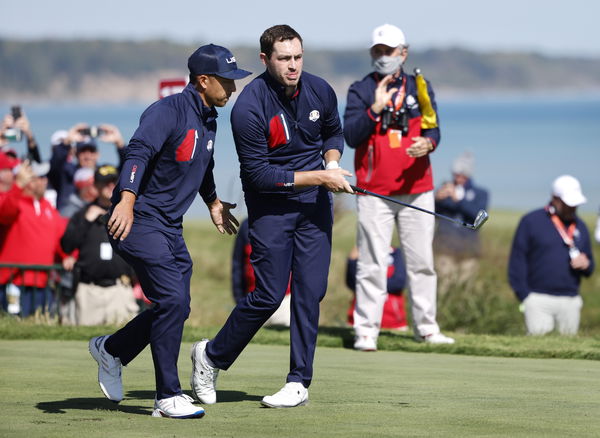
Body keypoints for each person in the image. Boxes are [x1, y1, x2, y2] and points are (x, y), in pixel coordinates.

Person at [190, 24, 353, 409]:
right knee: (267, 295)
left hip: (314, 207)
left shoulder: (320, 89)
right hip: (270, 210)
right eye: (284, 59)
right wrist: (320, 176)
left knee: (310, 293)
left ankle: (299, 380)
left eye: (297, 57)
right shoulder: (248, 107)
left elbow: (333, 132)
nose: (293, 65)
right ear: (266, 60)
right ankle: (211, 356)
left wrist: (332, 161)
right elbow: (260, 176)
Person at [88, 44, 250, 420]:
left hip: (168, 226)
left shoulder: (209, 117)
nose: (233, 88)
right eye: (227, 81)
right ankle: (167, 396)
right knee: (173, 302)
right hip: (137, 219)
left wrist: (211, 201)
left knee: (175, 305)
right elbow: (138, 153)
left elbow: (200, 164)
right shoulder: (167, 112)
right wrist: (126, 200)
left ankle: (112, 350)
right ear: (204, 81)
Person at [343, 23, 454, 350]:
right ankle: (366, 331)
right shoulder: (360, 90)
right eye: (377, 51)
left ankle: (427, 328)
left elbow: (434, 128)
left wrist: (429, 144)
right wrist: (374, 108)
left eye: (389, 51)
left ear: (403, 53)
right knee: (371, 262)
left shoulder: (421, 86)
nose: (383, 57)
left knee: (422, 262)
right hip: (374, 192)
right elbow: (350, 136)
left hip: (417, 188)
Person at [508, 175, 594, 335]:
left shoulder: (580, 226)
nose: (573, 208)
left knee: (568, 350)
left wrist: (586, 264)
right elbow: (517, 261)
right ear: (555, 199)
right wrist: (525, 296)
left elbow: (590, 266)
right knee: (537, 348)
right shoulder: (531, 221)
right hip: (537, 298)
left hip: (571, 299)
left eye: (576, 204)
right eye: (569, 204)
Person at [60, 164, 138, 326]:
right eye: (105, 183)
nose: (109, 186)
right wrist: (87, 220)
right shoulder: (82, 214)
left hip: (119, 289)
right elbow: (67, 245)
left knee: (125, 341)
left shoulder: (130, 214)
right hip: (89, 290)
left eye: (113, 182)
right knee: (84, 342)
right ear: (95, 186)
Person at [0, 161, 67, 317]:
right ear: (26, 181)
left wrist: (67, 256)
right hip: (14, 283)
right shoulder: (12, 199)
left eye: (45, 178)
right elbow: (5, 212)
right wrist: (17, 186)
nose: (45, 181)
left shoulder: (48, 207)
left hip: (42, 283)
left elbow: (60, 239)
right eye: (39, 177)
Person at [434, 151, 489, 295]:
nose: (457, 178)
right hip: (444, 248)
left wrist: (458, 199)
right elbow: (433, 214)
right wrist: (436, 199)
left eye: (461, 175)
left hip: (469, 251)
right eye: (455, 174)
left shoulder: (480, 193)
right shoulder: (444, 188)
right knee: (443, 289)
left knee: (465, 290)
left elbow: (479, 217)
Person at [48, 123, 125, 210]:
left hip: (97, 220)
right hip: (68, 220)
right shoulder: (66, 173)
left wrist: (120, 144)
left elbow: (127, 171)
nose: (87, 156)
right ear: (76, 154)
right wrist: (67, 141)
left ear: (98, 154)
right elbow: (55, 164)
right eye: (83, 151)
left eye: (91, 151)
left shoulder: (105, 173)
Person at [231, 218, 291, 327]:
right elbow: (238, 264)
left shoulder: (288, 220)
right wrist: (239, 299)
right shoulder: (246, 225)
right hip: (252, 298)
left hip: (285, 301)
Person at [345, 245, 408, 333]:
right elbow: (352, 283)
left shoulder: (395, 253)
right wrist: (352, 262)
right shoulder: (361, 251)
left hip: (394, 323)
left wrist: (368, 282)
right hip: (357, 321)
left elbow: (398, 282)